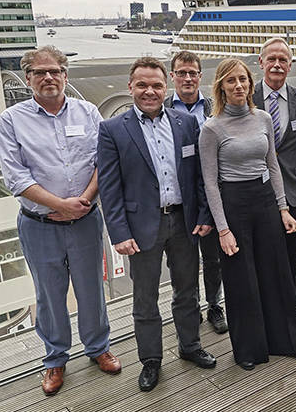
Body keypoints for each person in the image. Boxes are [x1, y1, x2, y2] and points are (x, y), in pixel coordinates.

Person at [0, 46, 120, 396]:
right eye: (40, 72)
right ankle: (55, 359)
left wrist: (81, 202)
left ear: (66, 75)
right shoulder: (12, 119)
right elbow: (15, 177)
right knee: (49, 295)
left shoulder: (88, 112)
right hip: (39, 226)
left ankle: (98, 348)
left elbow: (104, 161)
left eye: (55, 71)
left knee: (91, 289)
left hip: (84, 219)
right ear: (28, 78)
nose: (48, 77)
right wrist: (60, 205)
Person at [97, 57, 217, 392]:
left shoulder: (185, 123)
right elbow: (109, 187)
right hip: (141, 227)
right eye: (142, 85)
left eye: (156, 85)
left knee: (187, 290)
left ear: (166, 88)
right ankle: (151, 360)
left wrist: (204, 216)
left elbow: (198, 178)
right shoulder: (112, 129)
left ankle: (189, 345)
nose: (150, 91)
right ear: (130, 87)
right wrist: (118, 233)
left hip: (184, 222)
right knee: (145, 299)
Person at [198, 57, 296, 370]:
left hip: (264, 201)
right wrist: (223, 229)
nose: (238, 86)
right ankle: (249, 349)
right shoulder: (212, 128)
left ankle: (287, 342)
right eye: (231, 80)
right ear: (221, 85)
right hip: (234, 204)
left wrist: (283, 208)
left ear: (251, 83)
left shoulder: (262, 118)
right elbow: (210, 183)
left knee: (276, 272)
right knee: (241, 279)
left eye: (243, 80)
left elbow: (272, 165)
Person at [252, 37, 296, 332]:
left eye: (283, 60)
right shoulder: (245, 97)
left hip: (295, 191)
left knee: (292, 257)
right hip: (256, 192)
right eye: (272, 58)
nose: (277, 64)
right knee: (261, 255)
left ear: (290, 65)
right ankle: (265, 313)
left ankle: (293, 309)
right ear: (261, 62)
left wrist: (292, 169)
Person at [163, 50, 227, 335]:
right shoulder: (161, 109)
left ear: (200, 76)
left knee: (213, 258)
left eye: (193, 73)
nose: (188, 78)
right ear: (172, 76)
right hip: (179, 200)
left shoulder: (216, 108)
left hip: (212, 195)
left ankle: (215, 304)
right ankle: (189, 309)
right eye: (182, 73)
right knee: (182, 262)